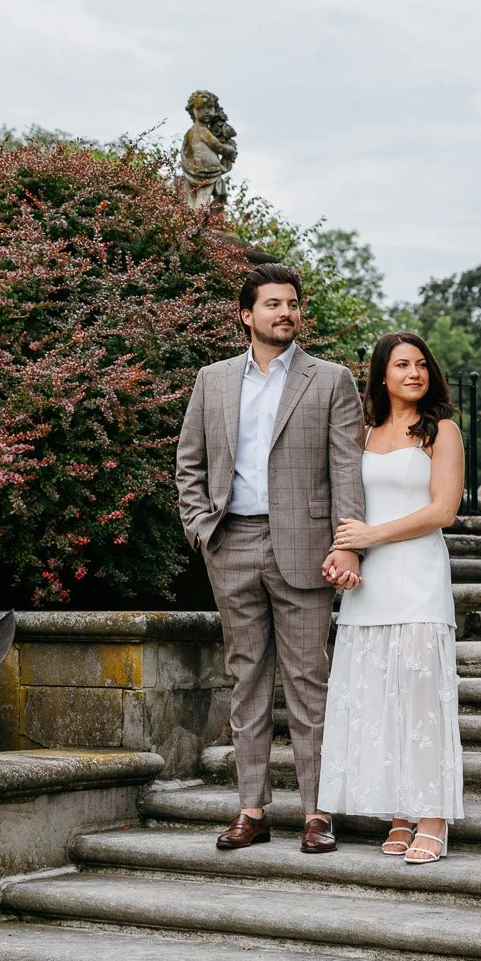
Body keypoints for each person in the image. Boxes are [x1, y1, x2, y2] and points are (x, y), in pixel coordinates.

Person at [175, 264, 367, 855]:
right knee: (246, 681)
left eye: (292, 304)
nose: (285, 313)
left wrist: (346, 544)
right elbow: (190, 463)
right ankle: (252, 809)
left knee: (311, 684)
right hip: (231, 544)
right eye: (272, 304)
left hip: (307, 549)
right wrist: (203, 531)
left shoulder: (330, 380)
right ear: (246, 314)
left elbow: (346, 470)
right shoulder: (212, 380)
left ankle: (317, 813)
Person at [318, 331, 465, 864]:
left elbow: (443, 510)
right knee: (379, 695)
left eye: (422, 364)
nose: (414, 373)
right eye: (402, 364)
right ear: (381, 374)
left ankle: (432, 818)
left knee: (422, 695)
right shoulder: (360, 436)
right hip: (369, 585)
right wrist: (345, 553)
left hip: (419, 577)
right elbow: (346, 506)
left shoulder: (441, 431)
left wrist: (370, 537)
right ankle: (400, 811)